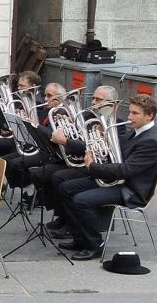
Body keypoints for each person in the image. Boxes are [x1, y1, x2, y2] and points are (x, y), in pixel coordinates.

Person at [56, 94, 157, 261]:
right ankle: (80, 239)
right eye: (129, 112)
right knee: (65, 188)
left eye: (135, 113)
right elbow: (114, 153)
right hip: (118, 182)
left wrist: (93, 166)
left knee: (81, 200)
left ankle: (94, 244)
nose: (129, 117)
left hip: (131, 190)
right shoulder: (136, 132)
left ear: (149, 115)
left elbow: (126, 170)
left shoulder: (151, 141)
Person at [41, 85, 117, 236]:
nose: (94, 102)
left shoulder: (115, 125)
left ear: (111, 103)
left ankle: (71, 224)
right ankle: (64, 217)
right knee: (54, 177)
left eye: (98, 99)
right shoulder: (88, 118)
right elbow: (81, 140)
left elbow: (88, 146)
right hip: (85, 164)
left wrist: (65, 142)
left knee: (60, 179)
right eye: (93, 98)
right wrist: (68, 124)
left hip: (99, 169)